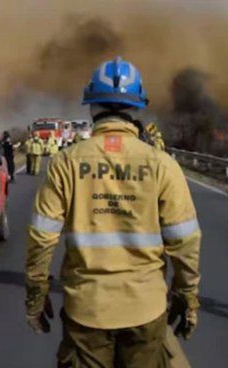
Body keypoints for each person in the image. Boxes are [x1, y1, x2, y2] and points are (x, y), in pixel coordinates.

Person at [25, 56, 201, 367]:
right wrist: (187, 295)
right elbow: (185, 241)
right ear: (136, 107)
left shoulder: (65, 162)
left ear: (92, 106)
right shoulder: (162, 164)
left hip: (87, 310)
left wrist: (36, 294)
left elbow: (42, 237)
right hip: (146, 309)